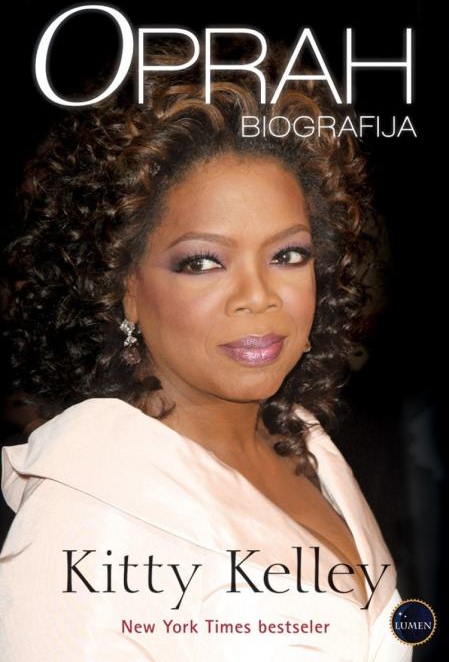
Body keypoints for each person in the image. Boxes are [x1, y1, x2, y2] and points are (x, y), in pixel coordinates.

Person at [0, 38, 412, 661]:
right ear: (123, 286)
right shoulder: (87, 507)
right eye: (202, 262)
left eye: (287, 254)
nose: (258, 296)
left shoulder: (309, 447)